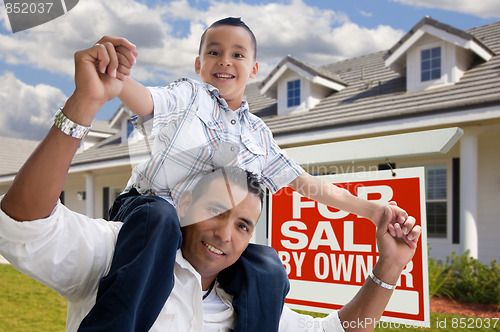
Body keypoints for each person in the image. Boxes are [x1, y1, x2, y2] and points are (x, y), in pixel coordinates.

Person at [0, 18, 421, 331]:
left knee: (267, 264)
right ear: (199, 63)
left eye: (238, 54)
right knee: (161, 220)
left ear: (254, 69)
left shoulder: (258, 134)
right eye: (215, 52)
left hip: (187, 225)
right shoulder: (189, 97)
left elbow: (302, 182)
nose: (226, 60)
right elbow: (145, 99)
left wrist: (372, 210)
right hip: (146, 216)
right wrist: (110, 83)